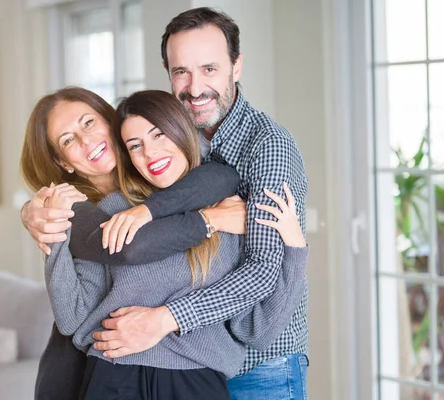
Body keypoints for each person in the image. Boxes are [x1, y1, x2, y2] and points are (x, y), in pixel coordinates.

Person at [23, 7, 310, 399]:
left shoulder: (261, 151)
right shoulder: (122, 199)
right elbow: (82, 307)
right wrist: (42, 216)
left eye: (209, 68)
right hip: (122, 374)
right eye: (181, 72)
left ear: (236, 66)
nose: (194, 87)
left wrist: (166, 319)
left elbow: (261, 274)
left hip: (259, 366)